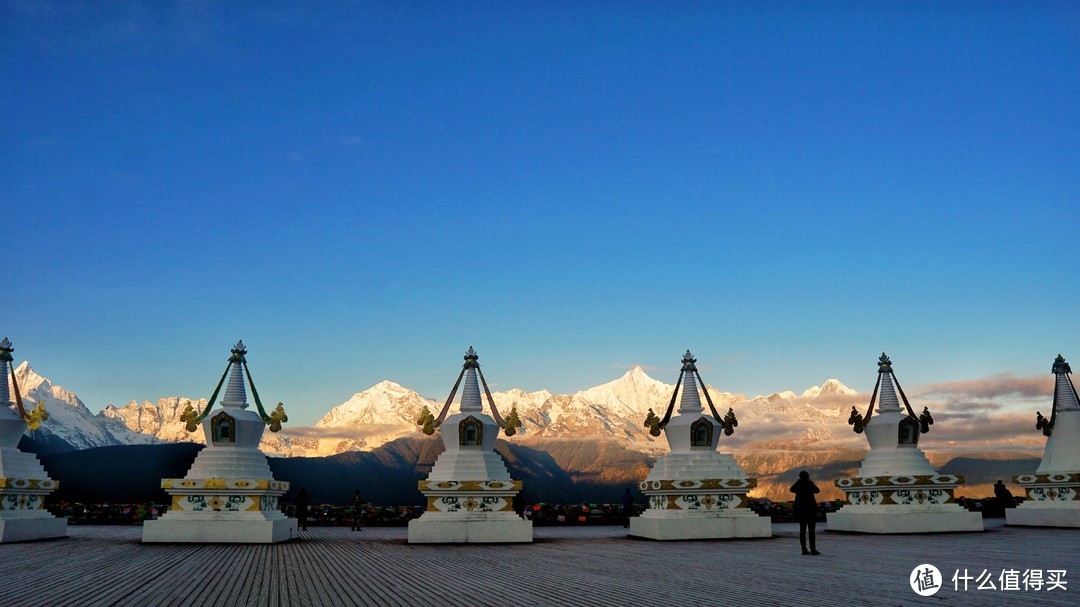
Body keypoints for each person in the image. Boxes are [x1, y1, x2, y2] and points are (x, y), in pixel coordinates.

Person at [790, 470, 820, 555]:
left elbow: (791, 489)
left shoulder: (798, 485)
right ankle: (813, 549)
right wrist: (810, 482)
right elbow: (817, 490)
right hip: (811, 511)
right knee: (812, 531)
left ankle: (804, 549)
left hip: (801, 511)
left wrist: (798, 481)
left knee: (802, 531)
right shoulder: (809, 484)